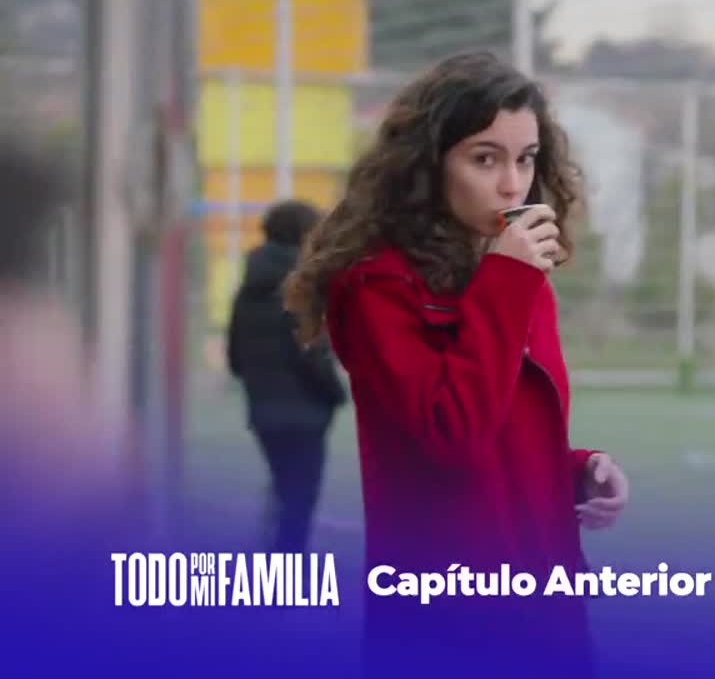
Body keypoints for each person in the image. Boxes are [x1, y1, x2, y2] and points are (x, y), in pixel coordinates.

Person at [283, 51, 630, 677]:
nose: (512, 185)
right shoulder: (377, 287)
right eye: (485, 159)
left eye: (526, 159)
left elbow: (506, 438)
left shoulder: (520, 280)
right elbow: (451, 433)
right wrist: (507, 279)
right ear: (429, 165)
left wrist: (579, 471)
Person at [227, 198, 347, 553]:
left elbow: (236, 359)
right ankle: (285, 569)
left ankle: (275, 560)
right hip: (307, 416)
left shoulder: (247, 290)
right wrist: (336, 394)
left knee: (283, 490)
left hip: (264, 413)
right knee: (300, 500)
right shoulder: (302, 288)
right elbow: (313, 356)